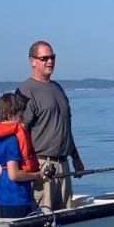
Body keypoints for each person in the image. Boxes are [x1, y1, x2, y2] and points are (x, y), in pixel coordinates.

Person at [16, 41, 85, 210]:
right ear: (33, 61)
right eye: (44, 58)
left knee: (66, 216)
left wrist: (75, 158)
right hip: (42, 165)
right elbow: (20, 132)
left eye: (52, 57)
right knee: (44, 217)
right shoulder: (26, 90)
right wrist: (28, 169)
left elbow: (64, 127)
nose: (50, 61)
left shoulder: (57, 88)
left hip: (64, 165)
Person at [0, 93, 43, 218]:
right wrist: (37, 175)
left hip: (5, 197)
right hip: (18, 198)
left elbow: (2, 170)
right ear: (10, 116)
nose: (22, 119)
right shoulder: (12, 141)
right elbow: (14, 174)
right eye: (20, 116)